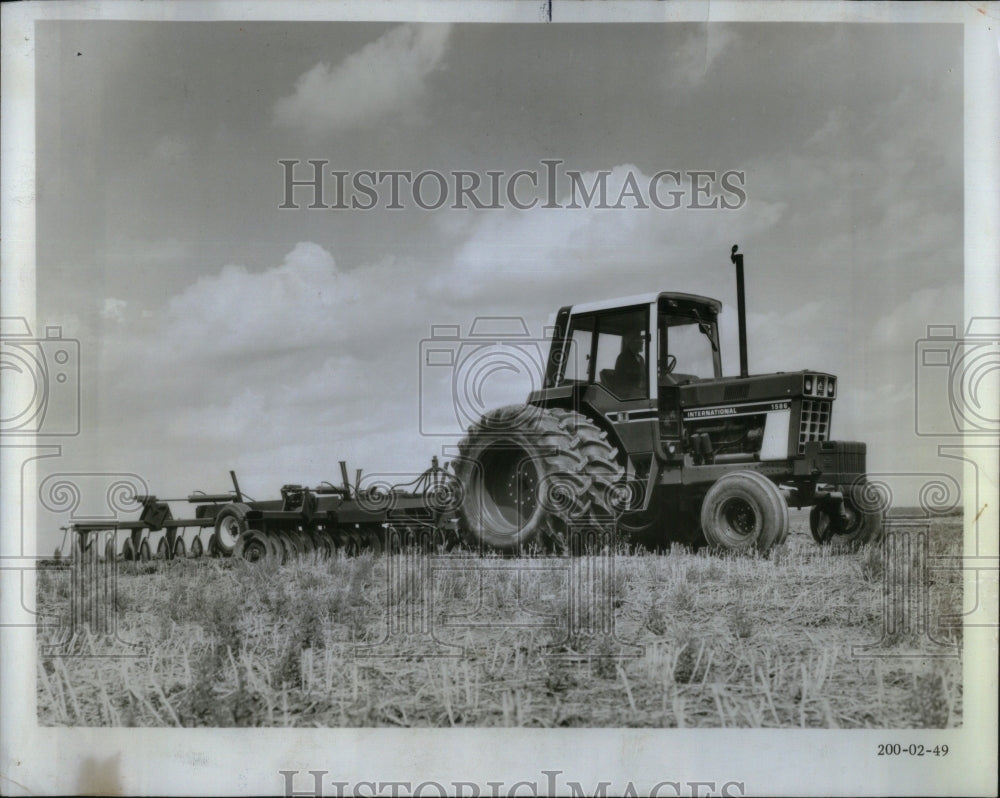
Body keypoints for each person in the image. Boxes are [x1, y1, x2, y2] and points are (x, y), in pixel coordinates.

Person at [614, 330, 647, 397]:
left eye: (642, 342)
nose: (642, 344)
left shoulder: (640, 358)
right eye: (639, 342)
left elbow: (643, 375)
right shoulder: (623, 357)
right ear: (631, 343)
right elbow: (622, 379)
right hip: (626, 391)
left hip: (637, 389)